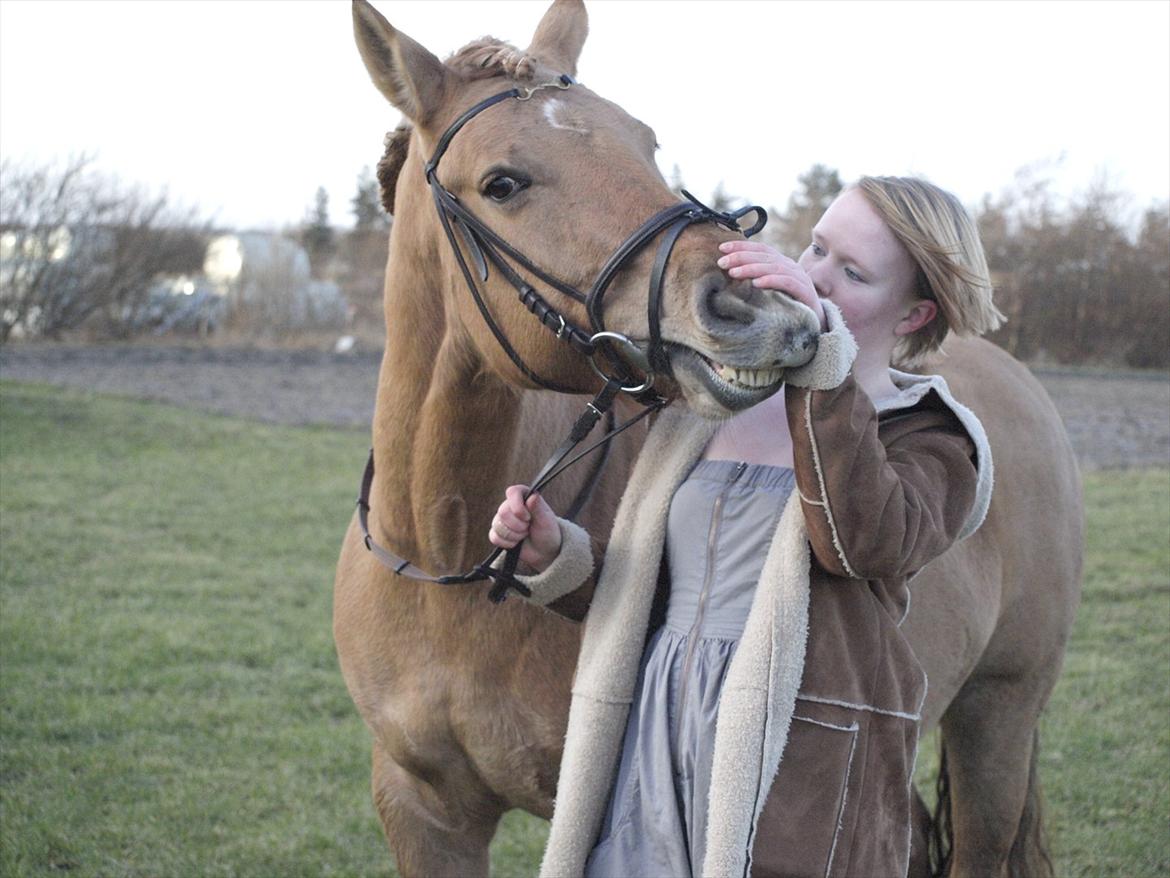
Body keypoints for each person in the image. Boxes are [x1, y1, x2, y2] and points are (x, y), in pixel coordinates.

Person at [489, 176, 1003, 878]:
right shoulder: (707, 409)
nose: (813, 277)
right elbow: (661, 593)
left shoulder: (933, 438)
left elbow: (859, 542)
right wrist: (558, 555)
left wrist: (822, 362)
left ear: (914, 315)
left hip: (796, 768)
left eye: (851, 272)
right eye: (817, 247)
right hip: (655, 739)